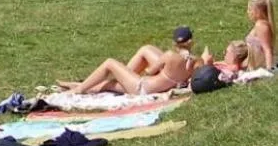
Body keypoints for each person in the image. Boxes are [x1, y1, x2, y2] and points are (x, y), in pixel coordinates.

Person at [61, 27, 197, 95]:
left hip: (143, 88)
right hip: (161, 85)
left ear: (175, 43)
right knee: (146, 49)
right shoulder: (196, 60)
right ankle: (79, 86)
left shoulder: (169, 56)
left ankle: (78, 89)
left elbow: (150, 72)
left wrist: (162, 68)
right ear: (191, 41)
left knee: (109, 63)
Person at [244, 0, 275, 70]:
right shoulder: (260, 24)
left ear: (258, 11)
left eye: (250, 9)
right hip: (253, 65)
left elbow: (267, 49)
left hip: (260, 66)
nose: (248, 12)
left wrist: (269, 70)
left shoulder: (261, 26)